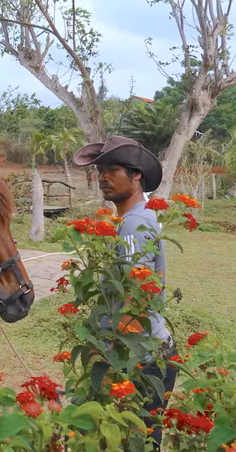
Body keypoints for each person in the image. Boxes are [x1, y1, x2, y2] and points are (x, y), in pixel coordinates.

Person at [73, 135, 177, 448]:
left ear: (136, 176)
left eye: (112, 169)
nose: (103, 177)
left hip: (139, 358)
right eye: (99, 171)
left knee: (135, 442)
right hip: (144, 353)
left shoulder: (133, 223)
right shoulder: (136, 219)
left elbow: (138, 295)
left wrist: (110, 361)